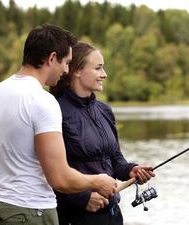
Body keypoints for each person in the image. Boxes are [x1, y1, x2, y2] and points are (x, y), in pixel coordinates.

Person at [0, 24, 117, 225]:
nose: (66, 70)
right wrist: (98, 181)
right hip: (30, 213)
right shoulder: (42, 101)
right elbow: (59, 178)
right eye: (66, 63)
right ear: (52, 58)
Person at [50, 42, 155, 225]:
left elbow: (115, 159)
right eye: (98, 68)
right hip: (74, 217)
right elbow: (48, 169)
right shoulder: (55, 110)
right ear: (77, 71)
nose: (104, 74)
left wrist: (131, 170)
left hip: (112, 214)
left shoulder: (104, 110)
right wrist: (82, 198)